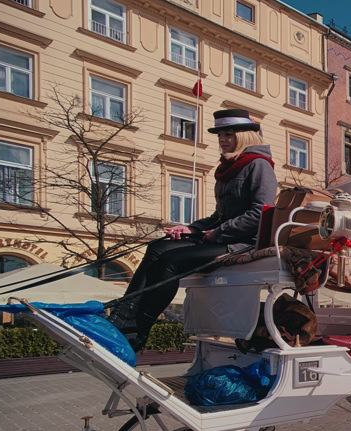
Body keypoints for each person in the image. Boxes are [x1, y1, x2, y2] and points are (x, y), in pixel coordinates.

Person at [109, 109, 277, 350]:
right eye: (220, 134)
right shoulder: (230, 168)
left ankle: (138, 331)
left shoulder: (259, 165)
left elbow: (260, 213)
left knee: (171, 261)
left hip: (243, 242)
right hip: (221, 237)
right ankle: (121, 317)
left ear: (245, 136)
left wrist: (217, 233)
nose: (222, 139)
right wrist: (191, 228)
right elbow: (218, 216)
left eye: (228, 134)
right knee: (157, 247)